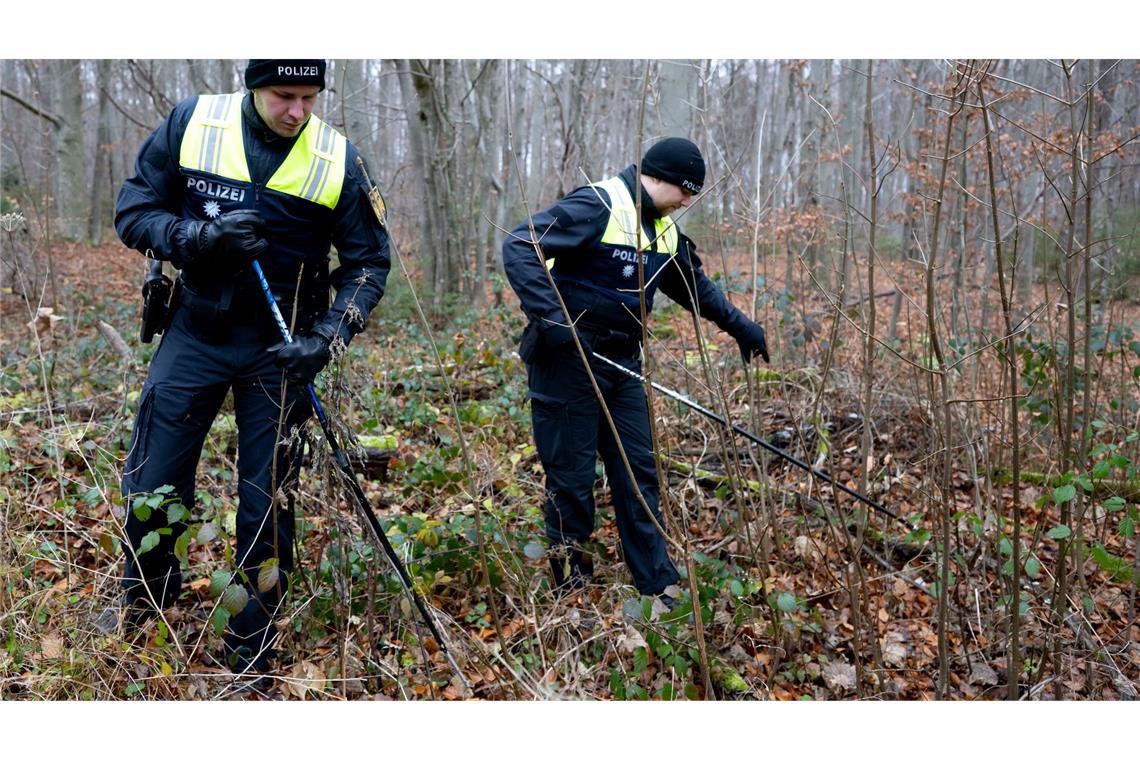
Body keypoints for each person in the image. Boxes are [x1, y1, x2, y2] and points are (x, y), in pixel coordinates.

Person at [114, 59, 390, 675]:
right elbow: (133, 211)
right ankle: (146, 614)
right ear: (251, 86)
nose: (299, 112)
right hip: (195, 330)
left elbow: (369, 264)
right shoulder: (194, 122)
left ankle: (252, 647)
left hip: (282, 347)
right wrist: (198, 240)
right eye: (284, 96)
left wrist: (327, 338)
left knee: (266, 499)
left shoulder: (338, 158)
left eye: (310, 98)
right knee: (153, 483)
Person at [502, 138, 769, 602]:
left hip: (622, 364)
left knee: (638, 471)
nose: (688, 201)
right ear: (659, 177)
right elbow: (520, 245)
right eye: (686, 190)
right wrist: (555, 321)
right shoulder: (599, 204)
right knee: (571, 477)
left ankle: (656, 582)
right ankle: (571, 589)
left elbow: (695, 287)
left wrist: (742, 327)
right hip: (566, 362)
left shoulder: (663, 230)